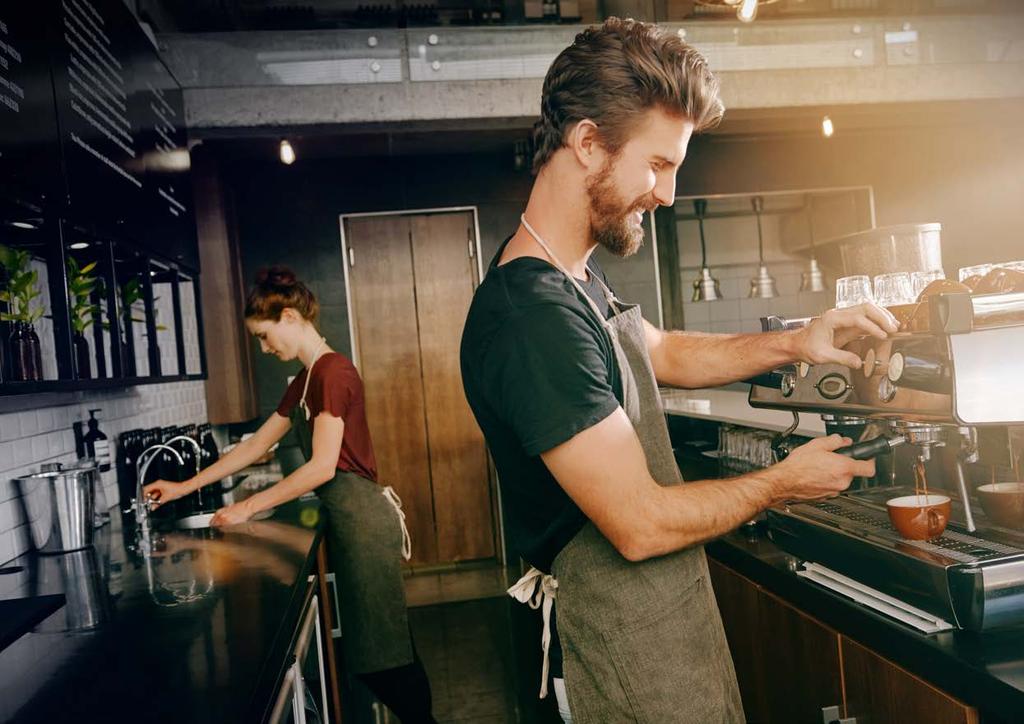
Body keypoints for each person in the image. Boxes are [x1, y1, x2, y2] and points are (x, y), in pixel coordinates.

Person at [459, 17, 898, 724]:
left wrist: (796, 342)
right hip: (624, 638)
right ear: (588, 143)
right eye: (658, 164)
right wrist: (785, 482)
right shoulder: (530, 317)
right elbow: (638, 524)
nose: (665, 194)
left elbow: (656, 352)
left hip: (665, 621)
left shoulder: (570, 277)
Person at [145, 266, 437, 724]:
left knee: (385, 654)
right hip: (347, 519)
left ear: (289, 317)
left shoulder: (333, 373)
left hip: (363, 521)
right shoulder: (306, 379)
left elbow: (322, 466)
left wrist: (248, 506)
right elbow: (257, 445)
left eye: (264, 336)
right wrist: (183, 486)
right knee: (378, 650)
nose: (265, 348)